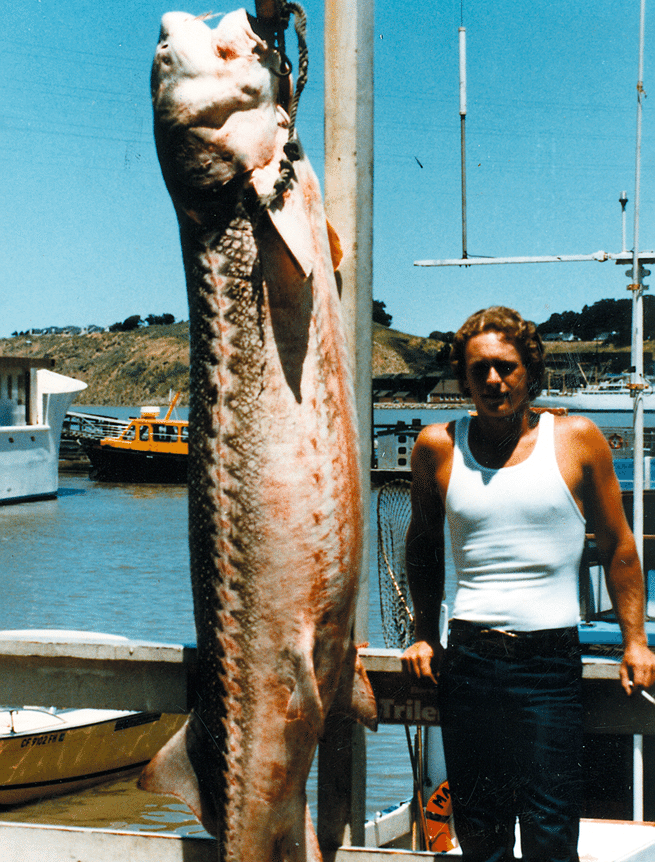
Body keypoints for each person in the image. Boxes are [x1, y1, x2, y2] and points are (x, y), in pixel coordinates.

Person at [401, 306, 655, 862]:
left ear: (530, 373)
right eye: (479, 369)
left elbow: (618, 547)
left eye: (506, 367)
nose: (493, 379)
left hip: (549, 666)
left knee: (550, 830)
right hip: (468, 659)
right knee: (481, 831)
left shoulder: (577, 440)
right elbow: (421, 547)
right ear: (464, 378)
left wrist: (635, 640)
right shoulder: (437, 447)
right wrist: (424, 631)